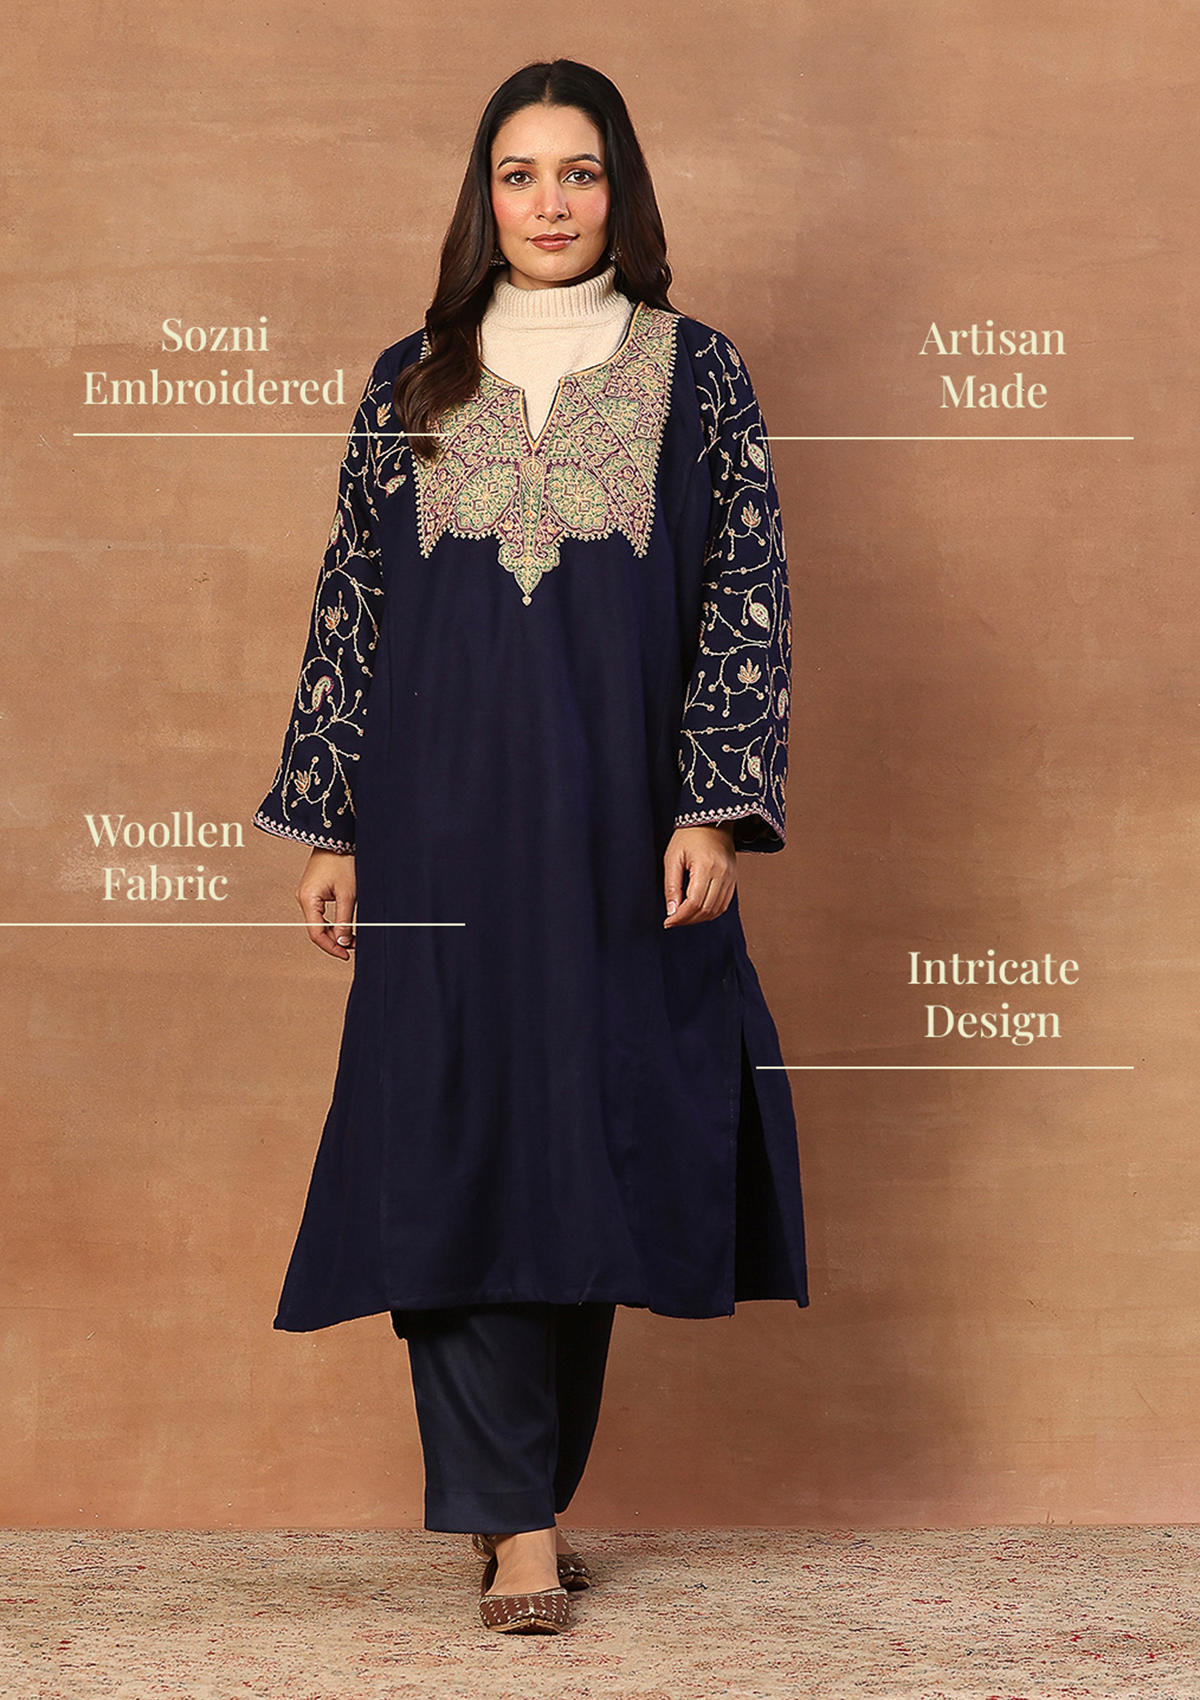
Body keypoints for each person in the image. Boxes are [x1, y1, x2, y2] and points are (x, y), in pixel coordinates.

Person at [254, 58, 809, 1635]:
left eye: (578, 173)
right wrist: (331, 822)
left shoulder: (698, 375)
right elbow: (353, 604)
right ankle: (514, 1526)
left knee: (586, 1140)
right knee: (451, 1133)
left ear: (620, 191)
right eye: (519, 175)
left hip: (621, 831)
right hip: (436, 832)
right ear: (482, 197)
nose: (549, 204)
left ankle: (525, 1493)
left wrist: (712, 806)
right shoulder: (412, 378)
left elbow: (748, 596)